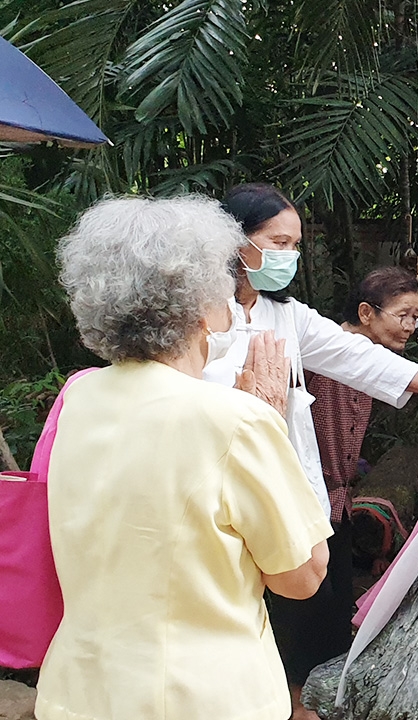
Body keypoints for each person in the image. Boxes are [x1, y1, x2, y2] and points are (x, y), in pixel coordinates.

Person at [202, 183, 418, 718]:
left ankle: (300, 704)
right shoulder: (197, 316)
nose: (290, 255)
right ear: (235, 240)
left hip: (287, 495)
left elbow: (358, 358)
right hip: (217, 499)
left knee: (302, 617)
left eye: (295, 244)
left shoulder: (287, 315)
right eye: (280, 242)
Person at [38, 196, 330, 720]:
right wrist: (269, 421)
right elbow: (302, 576)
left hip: (80, 692)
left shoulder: (79, 399)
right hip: (201, 699)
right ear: (201, 308)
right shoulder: (234, 420)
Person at [268, 266, 418, 710]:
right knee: (306, 607)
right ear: (365, 313)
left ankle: (320, 699)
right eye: (403, 315)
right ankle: (299, 703)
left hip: (337, 501)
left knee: (335, 609)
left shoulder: (371, 361)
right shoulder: (321, 350)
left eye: (416, 318)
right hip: (300, 499)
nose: (411, 327)